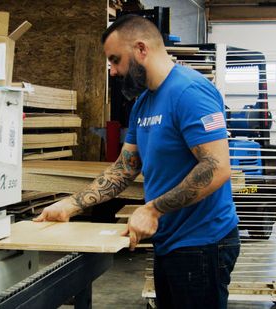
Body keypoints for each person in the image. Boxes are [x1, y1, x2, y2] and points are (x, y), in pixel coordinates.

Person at [34, 14, 240, 308]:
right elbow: (125, 168)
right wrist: (71, 204)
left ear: (141, 49)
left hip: (202, 244)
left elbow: (216, 167)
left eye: (116, 60)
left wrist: (153, 209)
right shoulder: (143, 103)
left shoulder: (190, 92)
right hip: (170, 240)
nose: (113, 71)